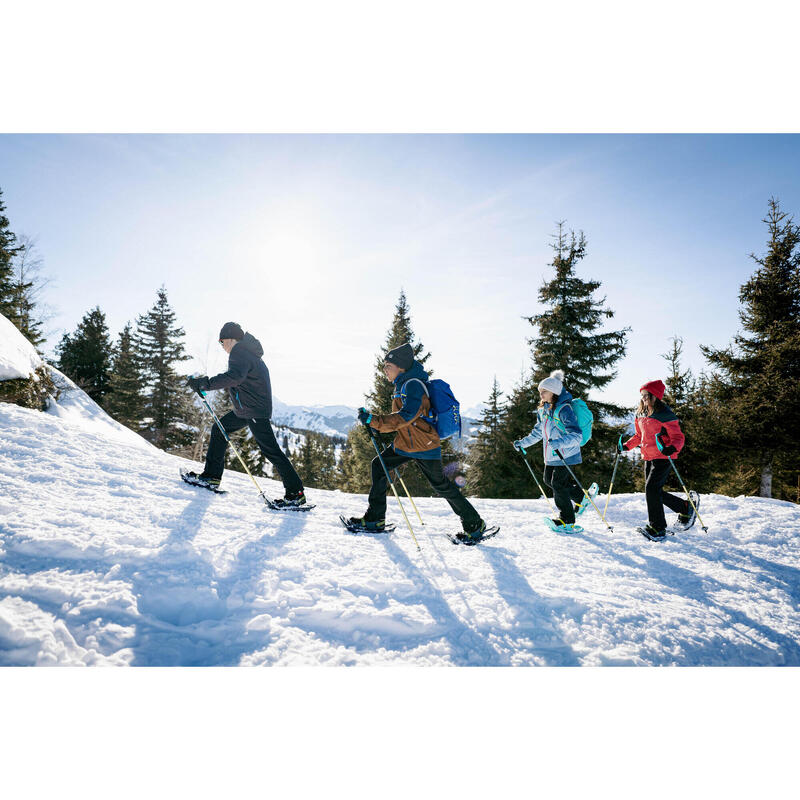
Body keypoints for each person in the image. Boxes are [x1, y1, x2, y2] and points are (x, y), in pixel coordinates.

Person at [346, 342, 487, 541]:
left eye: (388, 366)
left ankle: (474, 524)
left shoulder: (413, 384)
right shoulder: (402, 384)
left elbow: (406, 416)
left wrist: (374, 420)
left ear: (401, 367)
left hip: (423, 445)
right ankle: (374, 519)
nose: (384, 370)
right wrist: (373, 420)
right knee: (379, 465)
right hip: (405, 444)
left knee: (441, 486)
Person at [185, 322, 306, 508]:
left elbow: (234, 377)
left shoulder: (239, 352)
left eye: (221, 341)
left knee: (271, 450)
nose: (221, 345)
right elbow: (239, 378)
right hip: (247, 409)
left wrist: (205, 384)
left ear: (230, 338)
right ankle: (211, 476)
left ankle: (295, 493)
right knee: (219, 429)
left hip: (254, 410)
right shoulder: (248, 352)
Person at [513, 369, 597, 532]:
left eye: (544, 391)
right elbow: (538, 432)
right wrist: (523, 443)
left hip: (566, 454)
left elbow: (576, 435)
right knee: (548, 480)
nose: (541, 394)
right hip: (552, 454)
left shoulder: (564, 409)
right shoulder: (544, 410)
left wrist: (558, 443)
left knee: (558, 484)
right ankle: (581, 498)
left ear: (554, 392)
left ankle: (567, 520)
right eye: (540, 392)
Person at [619, 379, 695, 539]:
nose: (644, 398)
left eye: (647, 395)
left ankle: (658, 528)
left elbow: (678, 437)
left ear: (656, 396)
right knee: (653, 491)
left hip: (663, 455)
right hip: (648, 456)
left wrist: (672, 448)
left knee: (651, 490)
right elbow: (639, 436)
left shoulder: (665, 415)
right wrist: (627, 446)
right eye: (642, 395)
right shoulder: (641, 414)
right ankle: (685, 507)